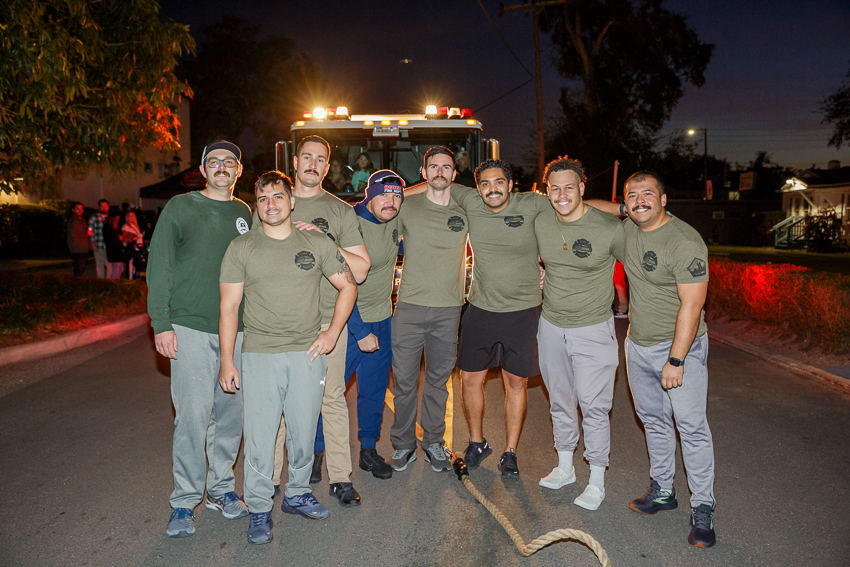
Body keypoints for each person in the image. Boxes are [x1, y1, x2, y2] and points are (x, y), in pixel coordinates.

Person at [219, 171, 357, 544]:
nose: (271, 204)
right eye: (263, 199)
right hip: (260, 354)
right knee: (261, 436)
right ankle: (260, 507)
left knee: (302, 429)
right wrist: (227, 361)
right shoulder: (241, 247)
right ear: (256, 205)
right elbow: (229, 307)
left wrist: (331, 334)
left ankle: (297, 494)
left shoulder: (317, 242)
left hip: (306, 353)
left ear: (291, 200)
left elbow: (348, 285)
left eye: (278, 197)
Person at [410, 159, 550, 478]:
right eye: (485, 183)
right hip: (481, 308)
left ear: (510, 183)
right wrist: (390, 196)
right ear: (478, 187)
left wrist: (549, 268)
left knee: (516, 382)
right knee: (471, 378)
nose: (492, 188)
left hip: (524, 311)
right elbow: (433, 185)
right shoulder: (470, 200)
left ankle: (510, 452)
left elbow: (570, 217)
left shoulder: (532, 203)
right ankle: (477, 443)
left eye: (498, 182)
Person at [147, 140, 252, 538]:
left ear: (238, 171)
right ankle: (184, 501)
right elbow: (160, 266)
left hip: (237, 331)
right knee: (192, 417)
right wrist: (162, 323)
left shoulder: (244, 213)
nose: (222, 167)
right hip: (189, 327)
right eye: (214, 162)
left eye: (229, 162)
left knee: (229, 416)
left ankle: (221, 490)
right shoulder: (181, 207)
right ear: (203, 170)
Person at [268, 135, 371, 509]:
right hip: (277, 325)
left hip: (328, 323)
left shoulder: (341, 211)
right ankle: (269, 481)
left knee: (332, 401)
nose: (313, 164)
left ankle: (340, 479)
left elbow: (359, 271)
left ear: (328, 167)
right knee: (276, 405)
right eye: (306, 157)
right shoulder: (273, 203)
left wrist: (326, 240)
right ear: (294, 163)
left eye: (321, 159)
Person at [619, 171, 716, 547]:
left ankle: (703, 508)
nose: (639, 200)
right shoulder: (628, 227)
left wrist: (676, 361)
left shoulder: (684, 240)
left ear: (663, 200)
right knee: (653, 421)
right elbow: (590, 207)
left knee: (691, 426)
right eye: (632, 195)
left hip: (679, 347)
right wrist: (560, 198)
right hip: (637, 344)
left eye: (647, 194)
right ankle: (663, 490)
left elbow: (693, 305)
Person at [534, 157, 625, 511]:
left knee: (594, 406)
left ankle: (597, 480)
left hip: (593, 328)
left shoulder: (609, 227)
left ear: (583, 188)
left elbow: (638, 264)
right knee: (560, 401)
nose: (561, 195)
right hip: (551, 326)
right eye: (554, 188)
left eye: (569, 187)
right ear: (547, 192)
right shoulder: (541, 220)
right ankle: (565, 467)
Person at [388, 147, 467, 474]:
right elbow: (375, 224)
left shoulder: (466, 208)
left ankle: (434, 441)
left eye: (445, 167)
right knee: (404, 382)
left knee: (438, 381)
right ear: (423, 172)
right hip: (408, 308)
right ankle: (403, 444)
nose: (439, 172)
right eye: (433, 166)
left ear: (454, 173)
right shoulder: (407, 206)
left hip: (449, 310)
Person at [335, 170, 404, 480]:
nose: (391, 202)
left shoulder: (394, 221)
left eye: (397, 195)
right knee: (331, 392)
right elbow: (335, 283)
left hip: (382, 319)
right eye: (384, 194)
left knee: (374, 392)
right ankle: (317, 452)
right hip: (347, 322)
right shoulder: (348, 223)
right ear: (369, 194)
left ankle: (367, 450)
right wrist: (360, 331)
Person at [87, 199, 110, 279]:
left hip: (109, 246)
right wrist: (93, 244)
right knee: (100, 266)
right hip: (99, 245)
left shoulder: (111, 218)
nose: (104, 208)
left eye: (105, 206)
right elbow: (90, 231)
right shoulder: (94, 217)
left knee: (110, 266)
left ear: (108, 207)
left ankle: (109, 282)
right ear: (99, 207)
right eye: (102, 206)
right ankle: (100, 282)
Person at [66, 202, 89, 277]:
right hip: (77, 248)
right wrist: (87, 233)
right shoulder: (73, 220)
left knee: (80, 270)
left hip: (83, 248)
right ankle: (75, 285)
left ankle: (77, 285)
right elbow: (73, 234)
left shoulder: (82, 220)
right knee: (79, 270)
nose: (80, 210)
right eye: (78, 209)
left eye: (81, 209)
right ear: (73, 210)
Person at [121, 211, 145, 279]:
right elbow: (124, 239)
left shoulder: (136, 226)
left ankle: (134, 278)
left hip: (137, 247)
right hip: (130, 248)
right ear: (127, 217)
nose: (131, 218)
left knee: (135, 265)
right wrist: (135, 238)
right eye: (130, 216)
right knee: (130, 265)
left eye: (133, 216)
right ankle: (129, 279)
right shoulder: (126, 227)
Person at [103, 214, 126, 279]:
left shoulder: (113, 229)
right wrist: (119, 238)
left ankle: (116, 282)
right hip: (114, 252)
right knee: (117, 269)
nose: (117, 221)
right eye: (116, 219)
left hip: (116, 252)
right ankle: (113, 283)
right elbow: (112, 241)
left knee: (120, 268)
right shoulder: (109, 229)